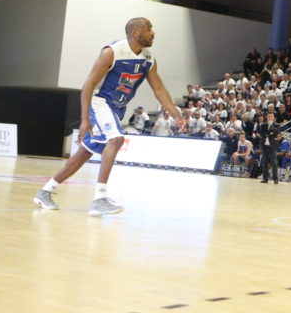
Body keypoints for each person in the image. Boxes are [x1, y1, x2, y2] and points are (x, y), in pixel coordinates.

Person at [34, 18, 185, 216]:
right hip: (99, 102)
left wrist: (176, 114)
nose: (153, 33)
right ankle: (100, 199)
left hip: (117, 107)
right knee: (116, 139)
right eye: (149, 29)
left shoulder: (148, 58)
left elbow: (158, 89)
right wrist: (85, 118)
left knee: (85, 152)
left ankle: (45, 191)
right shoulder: (112, 52)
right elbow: (88, 85)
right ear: (135, 33)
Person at [257, 112, 281, 184]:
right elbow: (261, 133)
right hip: (264, 146)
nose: (270, 118)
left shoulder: (276, 125)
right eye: (269, 116)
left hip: (273, 146)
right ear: (266, 117)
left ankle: (275, 179)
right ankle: (265, 179)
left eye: (271, 116)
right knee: (264, 163)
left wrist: (271, 127)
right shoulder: (263, 125)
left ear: (273, 117)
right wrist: (269, 133)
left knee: (274, 162)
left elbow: (276, 133)